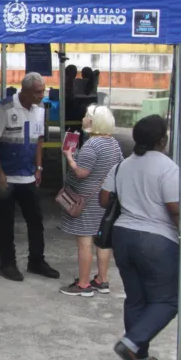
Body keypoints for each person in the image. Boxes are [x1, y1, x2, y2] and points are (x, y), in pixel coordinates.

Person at [103, 115, 181, 360]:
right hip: (155, 241)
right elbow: (176, 210)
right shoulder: (167, 166)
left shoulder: (123, 165)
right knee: (167, 301)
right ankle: (131, 343)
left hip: (123, 236)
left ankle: (139, 354)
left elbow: (104, 200)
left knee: (136, 299)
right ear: (162, 139)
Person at [0, 72, 59, 282]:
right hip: (5, 177)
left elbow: (38, 140)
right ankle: (7, 264)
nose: (41, 96)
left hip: (27, 176)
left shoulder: (40, 109)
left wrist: (39, 167)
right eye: (37, 92)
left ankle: (36, 261)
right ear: (24, 91)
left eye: (42, 91)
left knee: (35, 220)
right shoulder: (5, 108)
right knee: (6, 222)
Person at [59, 105, 124, 297]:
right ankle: (102, 280)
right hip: (105, 199)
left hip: (86, 201)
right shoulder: (113, 143)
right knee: (102, 242)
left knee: (84, 243)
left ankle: (84, 284)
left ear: (93, 122)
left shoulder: (92, 145)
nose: (84, 118)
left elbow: (81, 173)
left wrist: (69, 157)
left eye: (87, 116)